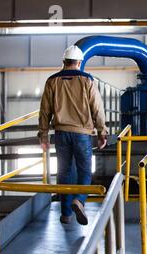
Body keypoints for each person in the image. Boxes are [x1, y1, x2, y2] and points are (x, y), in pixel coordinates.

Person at [38, 45, 108, 225]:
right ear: (79, 62)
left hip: (61, 133)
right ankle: (80, 200)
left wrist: (44, 135)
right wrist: (102, 132)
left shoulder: (52, 81)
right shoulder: (87, 80)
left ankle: (66, 214)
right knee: (85, 171)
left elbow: (45, 111)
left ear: (64, 62)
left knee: (64, 172)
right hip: (82, 134)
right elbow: (97, 108)